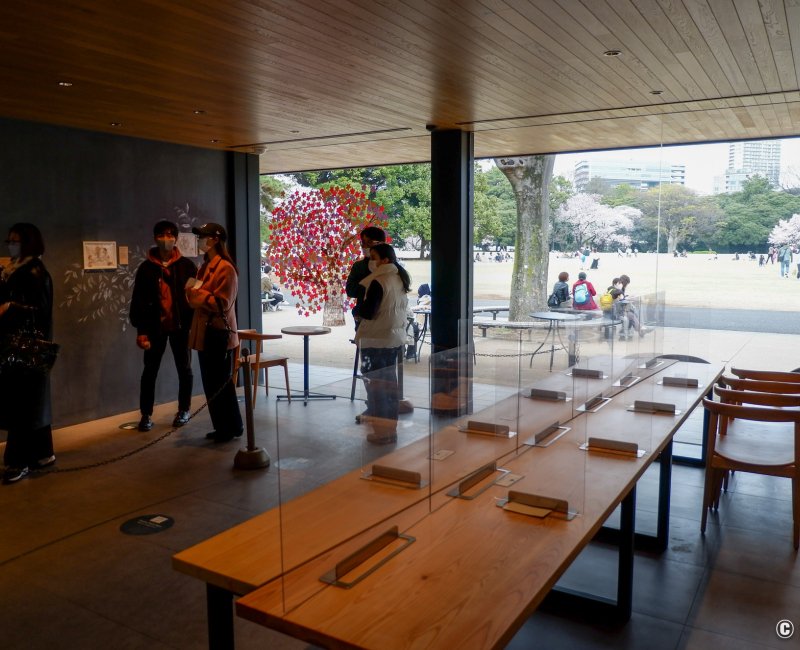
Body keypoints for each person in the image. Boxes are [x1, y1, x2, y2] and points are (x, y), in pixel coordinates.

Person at [129, 220, 197, 432]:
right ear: (155, 238)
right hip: (154, 328)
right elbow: (138, 301)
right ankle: (146, 414)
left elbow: (195, 298)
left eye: (169, 235)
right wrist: (141, 331)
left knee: (184, 369)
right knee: (149, 371)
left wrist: (193, 325)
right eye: (161, 234)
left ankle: (184, 409)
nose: (166, 239)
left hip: (180, 326)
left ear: (175, 238)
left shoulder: (187, 266)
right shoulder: (146, 268)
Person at [0, 223, 55, 484]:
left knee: (21, 404)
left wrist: (10, 308)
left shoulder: (34, 272)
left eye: (16, 241)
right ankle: (43, 453)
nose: (11, 245)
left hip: (24, 346)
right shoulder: (15, 269)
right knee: (31, 400)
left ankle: (17, 461)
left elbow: (40, 311)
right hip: (22, 345)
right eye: (9, 241)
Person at [186, 223, 243, 443]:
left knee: (221, 384)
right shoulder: (205, 266)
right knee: (211, 383)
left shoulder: (225, 268)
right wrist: (195, 295)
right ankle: (222, 427)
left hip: (217, 333)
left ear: (215, 239)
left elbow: (222, 303)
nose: (200, 240)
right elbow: (193, 297)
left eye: (204, 236)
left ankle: (232, 427)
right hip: (205, 332)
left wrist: (196, 295)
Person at [355, 243, 411, 445]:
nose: (370, 261)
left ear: (385, 260)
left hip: (375, 339)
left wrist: (357, 310)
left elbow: (369, 312)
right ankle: (390, 430)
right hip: (393, 339)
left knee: (376, 388)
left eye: (374, 257)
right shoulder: (399, 278)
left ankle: (381, 433)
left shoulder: (379, 281)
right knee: (389, 386)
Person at [345, 226, 386, 325]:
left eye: (369, 243)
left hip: (386, 317)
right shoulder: (359, 266)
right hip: (363, 317)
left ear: (381, 244)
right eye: (363, 243)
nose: (364, 246)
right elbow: (350, 291)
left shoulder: (392, 267)